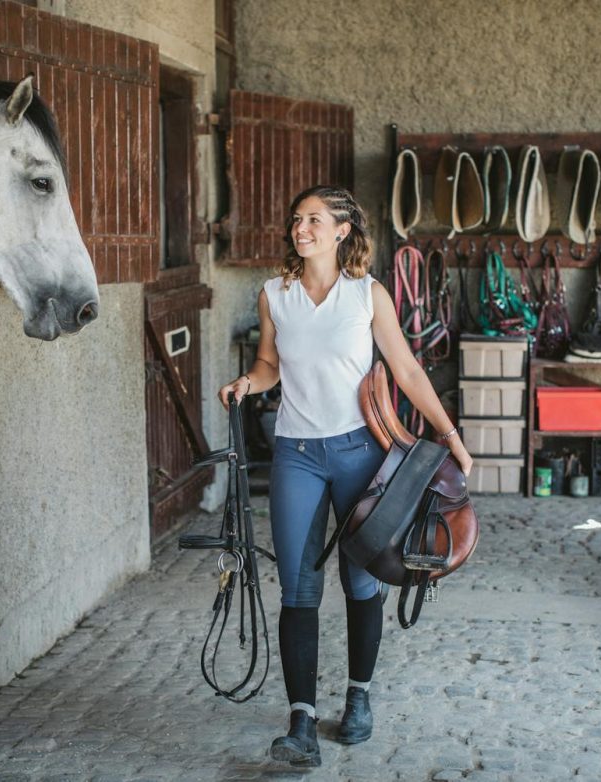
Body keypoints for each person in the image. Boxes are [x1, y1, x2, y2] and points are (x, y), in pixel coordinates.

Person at [218, 185, 474, 767]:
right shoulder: (275, 295)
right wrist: (245, 385)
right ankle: (302, 721)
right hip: (297, 456)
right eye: (296, 218)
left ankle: (359, 697)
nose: (300, 228)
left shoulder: (367, 295)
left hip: (363, 454)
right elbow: (268, 365)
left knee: (364, 581)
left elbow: (406, 368)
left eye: (313, 220)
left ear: (341, 231)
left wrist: (450, 437)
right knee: (298, 587)